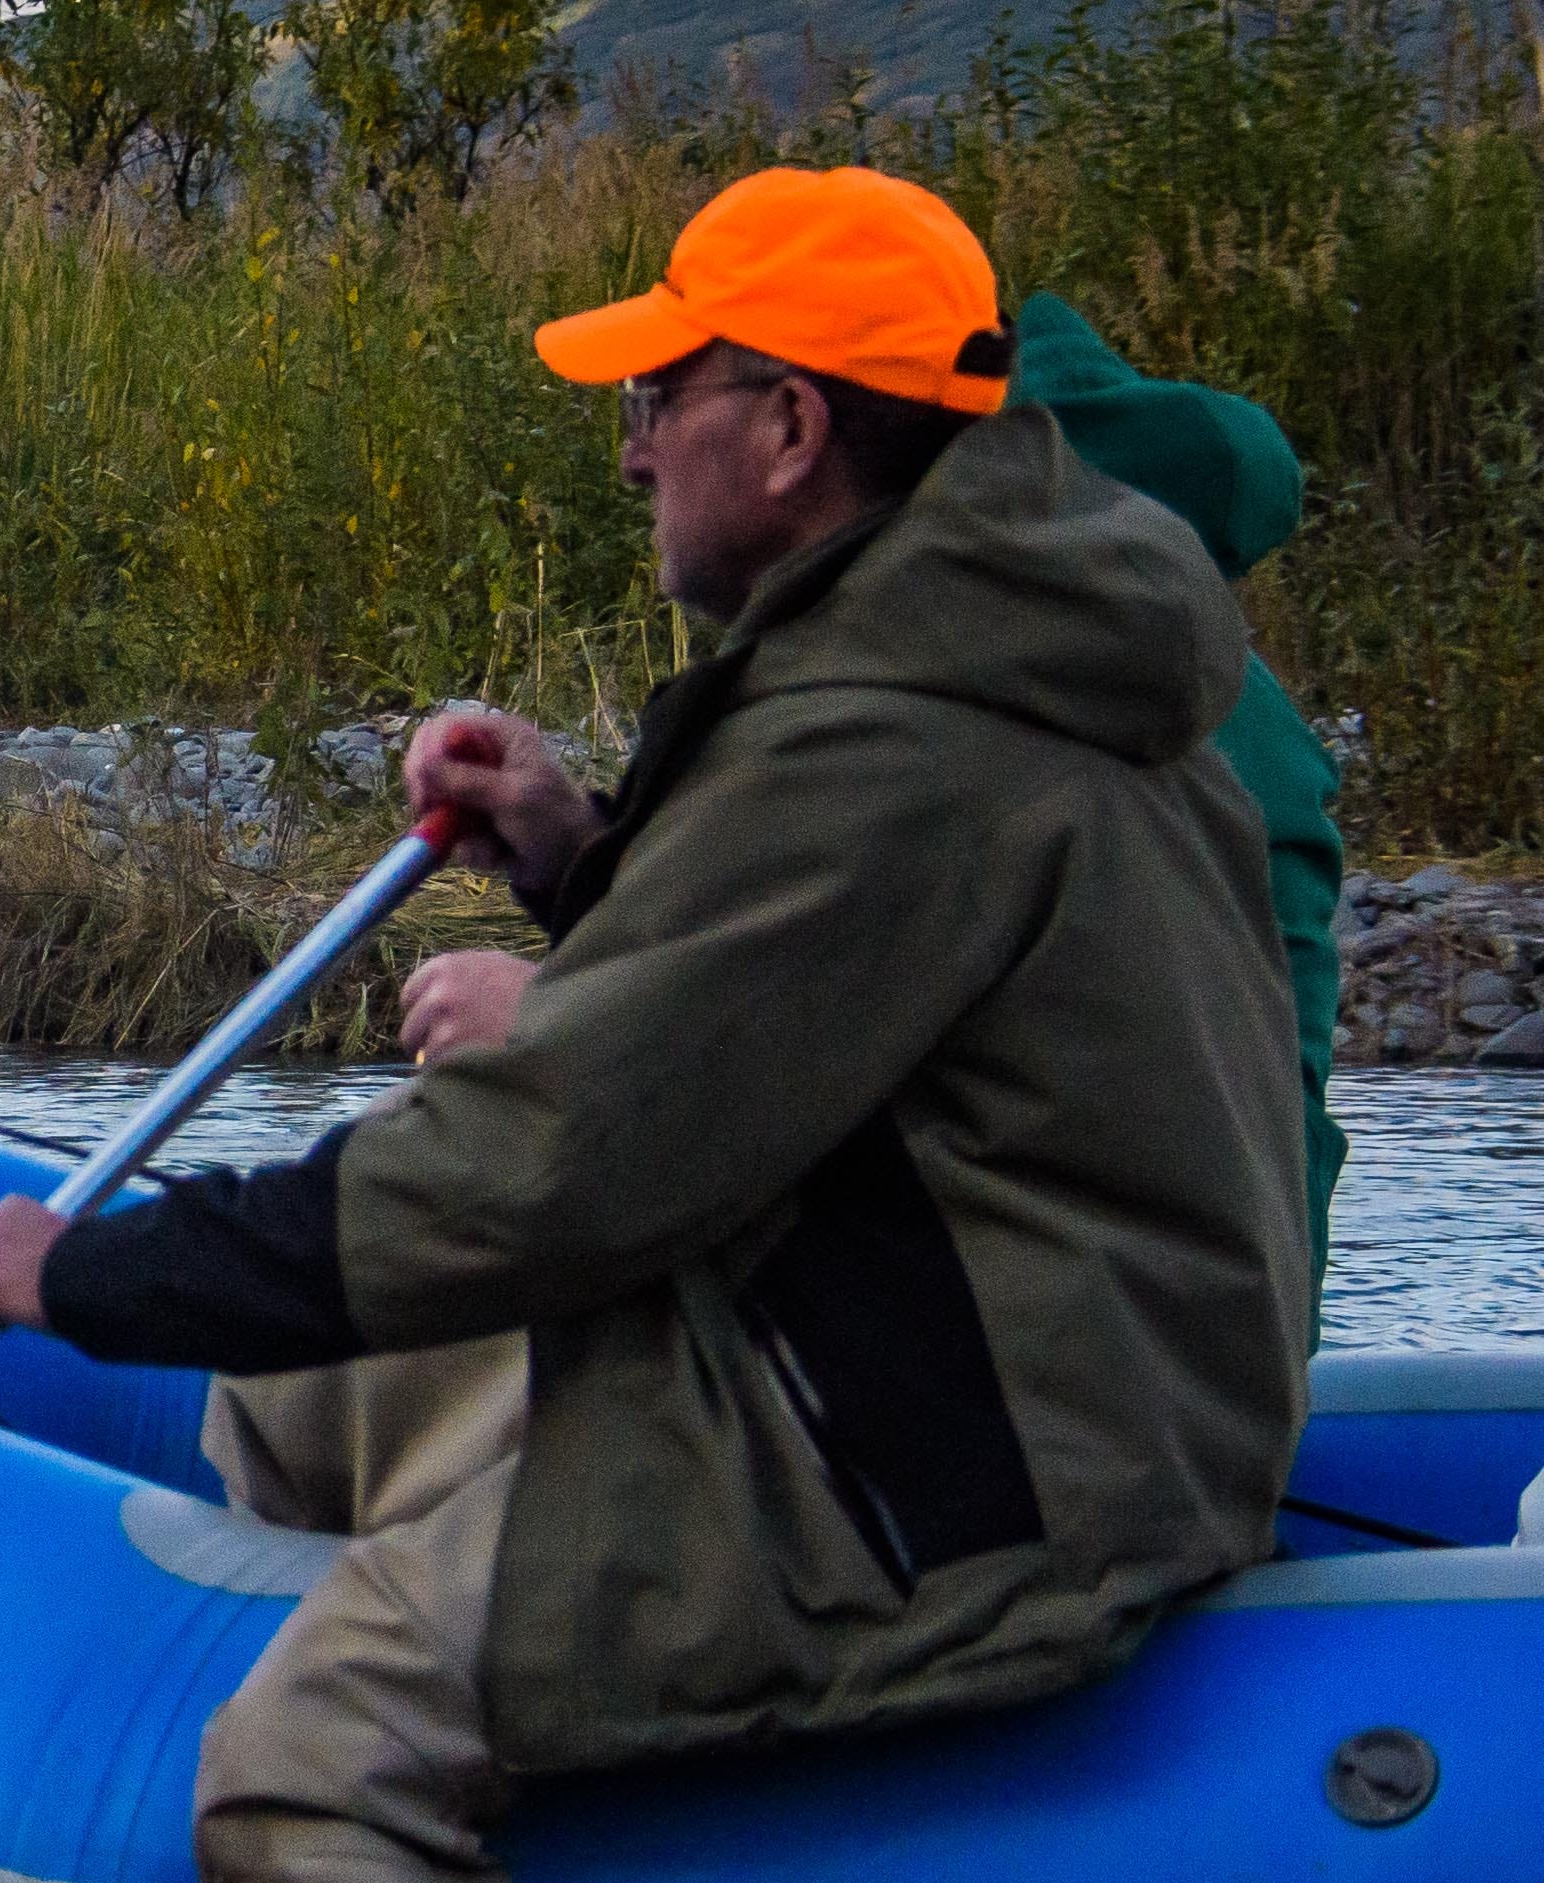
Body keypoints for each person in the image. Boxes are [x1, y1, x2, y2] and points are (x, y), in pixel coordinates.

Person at [0, 167, 1315, 1883]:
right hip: (931, 1338)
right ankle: (500, 1679)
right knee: (295, 1399)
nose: (635, 438)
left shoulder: (893, 731)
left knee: (306, 1766)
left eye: (662, 390)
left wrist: (96, 1272)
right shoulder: (970, 641)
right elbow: (824, 1000)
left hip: (976, 1454)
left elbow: (550, 1165)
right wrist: (579, 852)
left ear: (791, 429)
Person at [401, 292, 1355, 1306]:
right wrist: (572, 846)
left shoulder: (995, 701)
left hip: (1066, 1351)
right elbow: (855, 1007)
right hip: (1188, 1325)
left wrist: (558, 1034)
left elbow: (865, 1062)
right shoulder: (1171, 687)